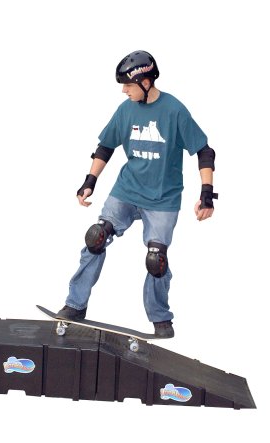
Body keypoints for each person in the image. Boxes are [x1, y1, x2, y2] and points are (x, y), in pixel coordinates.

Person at [56, 50, 218, 338]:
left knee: (157, 260)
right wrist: (90, 180)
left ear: (146, 82)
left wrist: (207, 193)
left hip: (163, 199)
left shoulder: (174, 110)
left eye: (128, 85)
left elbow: (204, 151)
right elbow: (105, 147)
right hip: (127, 190)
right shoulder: (125, 110)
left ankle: (160, 318)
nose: (124, 91)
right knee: (96, 237)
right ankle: (75, 305)